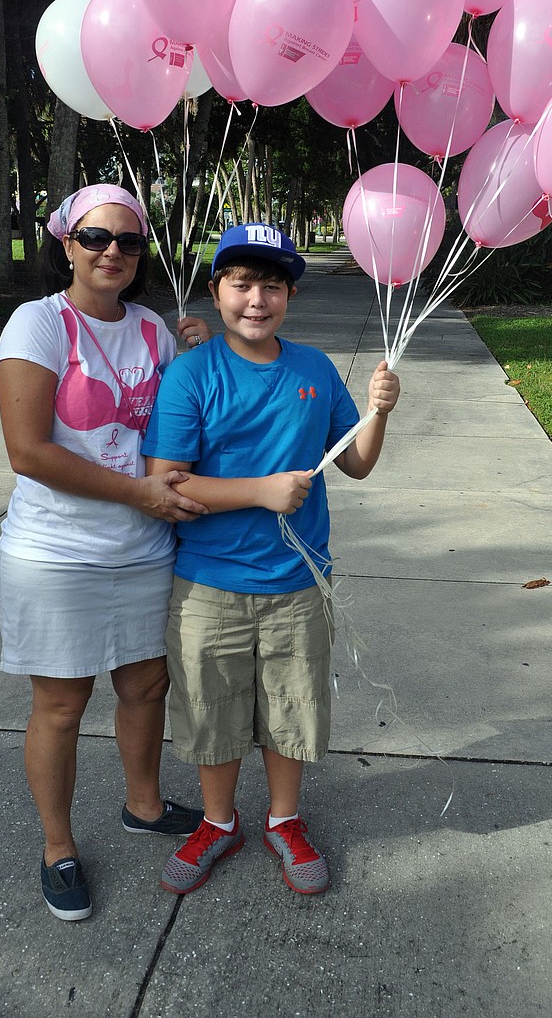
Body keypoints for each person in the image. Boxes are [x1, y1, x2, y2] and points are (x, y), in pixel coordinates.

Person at [142, 222, 400, 896]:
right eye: (242, 284)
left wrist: (377, 412)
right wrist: (261, 491)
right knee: (212, 708)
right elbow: (167, 483)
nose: (257, 299)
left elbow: (358, 463)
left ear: (290, 294)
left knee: (292, 704)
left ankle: (284, 819)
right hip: (209, 583)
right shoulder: (192, 373)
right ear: (217, 290)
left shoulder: (313, 368)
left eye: (273, 286)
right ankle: (220, 821)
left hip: (298, 580)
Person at [0, 183, 212, 922]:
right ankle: (57, 846)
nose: (112, 250)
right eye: (96, 237)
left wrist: (200, 360)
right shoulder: (38, 324)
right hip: (56, 551)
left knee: (146, 685)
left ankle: (143, 804)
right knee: (61, 702)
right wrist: (137, 496)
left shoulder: (152, 329)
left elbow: (177, 430)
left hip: (142, 546)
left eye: (127, 239)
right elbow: (28, 451)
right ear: (68, 244)